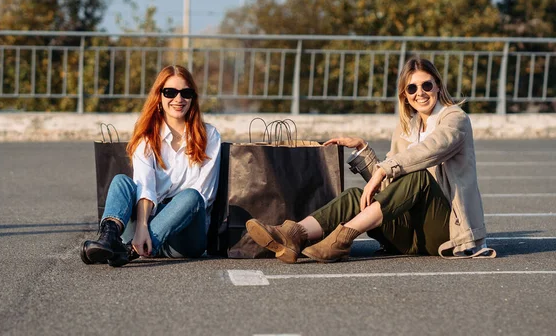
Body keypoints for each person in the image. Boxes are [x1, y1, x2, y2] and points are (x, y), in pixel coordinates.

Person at [246, 57, 495, 263]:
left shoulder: (455, 119)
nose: (420, 93)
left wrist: (383, 169)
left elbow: (432, 149)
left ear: (438, 86)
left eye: (426, 85)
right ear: (405, 95)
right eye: (412, 88)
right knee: (357, 196)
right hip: (411, 234)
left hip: (447, 231)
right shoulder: (408, 128)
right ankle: (293, 235)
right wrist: (363, 150)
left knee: (418, 178)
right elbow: (389, 187)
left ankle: (341, 240)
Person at [81, 65, 221, 267]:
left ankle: (127, 251)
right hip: (142, 232)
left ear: (193, 98)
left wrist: (158, 224)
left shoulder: (209, 136)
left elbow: (205, 195)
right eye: (170, 92)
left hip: (184, 238)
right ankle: (108, 239)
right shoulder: (147, 138)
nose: (178, 99)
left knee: (192, 196)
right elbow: (144, 186)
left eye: (186, 93)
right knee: (121, 182)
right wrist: (143, 227)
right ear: (159, 97)